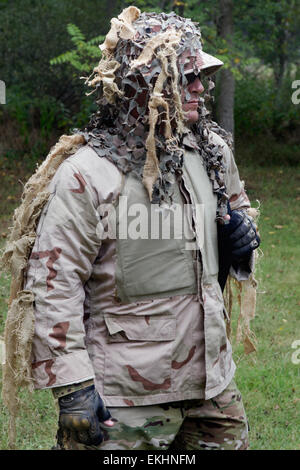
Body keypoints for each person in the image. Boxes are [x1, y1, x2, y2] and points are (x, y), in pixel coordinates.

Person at [20, 7, 260, 450]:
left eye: (200, 77)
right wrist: (74, 390)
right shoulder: (87, 174)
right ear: (144, 85)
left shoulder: (209, 151)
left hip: (213, 382)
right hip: (128, 394)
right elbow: (54, 284)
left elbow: (240, 211)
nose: (199, 87)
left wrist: (240, 240)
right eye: (185, 77)